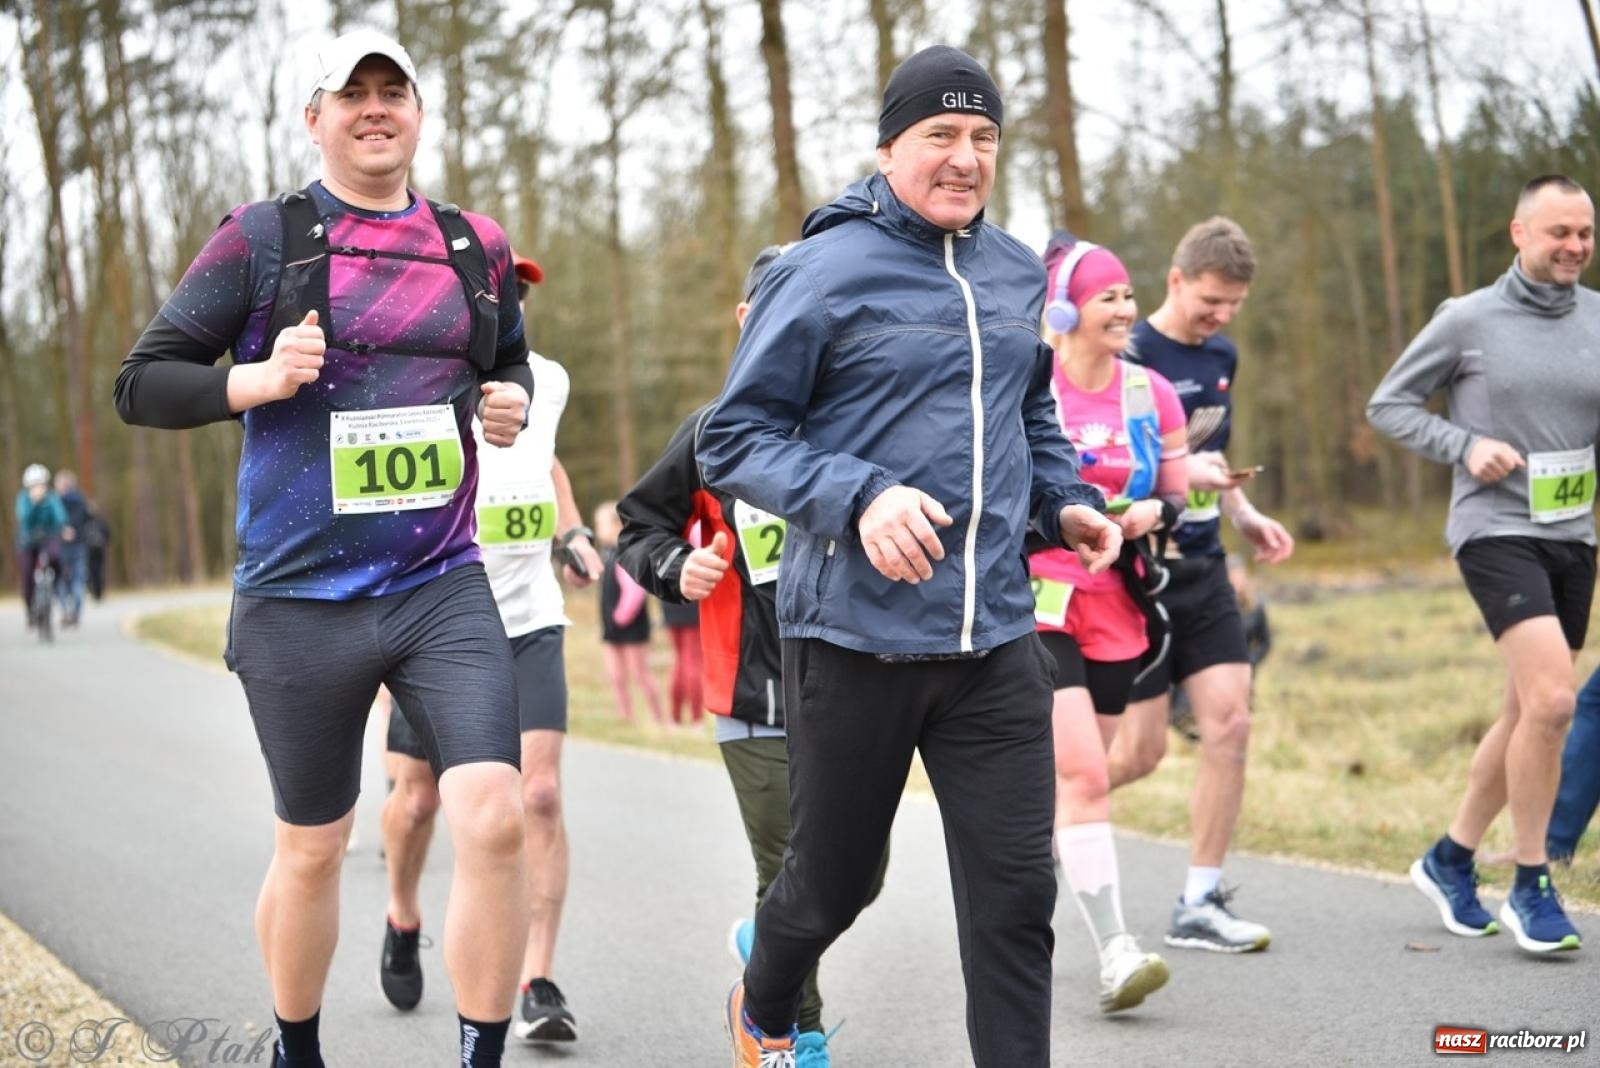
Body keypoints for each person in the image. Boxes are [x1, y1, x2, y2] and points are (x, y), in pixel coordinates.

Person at [114, 30, 537, 1066]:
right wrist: (250, 382)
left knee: (493, 815)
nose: (375, 107)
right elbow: (142, 382)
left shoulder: (470, 245)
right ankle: (296, 1049)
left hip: (441, 583)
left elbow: (509, 360)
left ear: (420, 114)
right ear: (316, 116)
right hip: (300, 600)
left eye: (395, 90)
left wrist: (507, 402)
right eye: (353, 93)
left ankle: (481, 1053)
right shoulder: (265, 238)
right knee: (311, 849)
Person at [698, 46, 1122, 1068]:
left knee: (1016, 897)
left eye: (983, 138)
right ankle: (762, 998)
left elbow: (1028, 409)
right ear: (888, 147)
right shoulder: (821, 271)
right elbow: (735, 438)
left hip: (995, 639)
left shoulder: (1016, 271)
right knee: (838, 882)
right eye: (939, 135)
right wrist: (859, 495)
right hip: (853, 636)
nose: (964, 158)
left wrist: (1064, 503)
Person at [615, 244, 888, 1068]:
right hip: (753, 693)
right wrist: (674, 566)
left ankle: (759, 943)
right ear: (748, 322)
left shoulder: (861, 426)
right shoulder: (711, 434)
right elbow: (638, 527)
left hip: (853, 688)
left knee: (856, 879)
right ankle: (789, 1034)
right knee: (791, 869)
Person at [1368, 173, 1600, 955]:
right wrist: (1465, 445)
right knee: (1556, 700)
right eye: (1558, 232)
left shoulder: (1599, 320)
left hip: (1573, 535)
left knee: (1525, 712)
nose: (1573, 247)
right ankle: (1530, 881)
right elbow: (1390, 403)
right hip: (1494, 528)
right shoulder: (1468, 318)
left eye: (1585, 234)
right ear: (1519, 233)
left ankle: (1449, 856)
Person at [377, 252, 602, 1042]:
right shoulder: (423, 372)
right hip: (439, 619)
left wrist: (570, 532)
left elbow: (547, 465)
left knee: (537, 795)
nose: (517, 299)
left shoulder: (552, 379)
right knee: (417, 801)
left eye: (524, 289)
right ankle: (402, 914)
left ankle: (538, 978)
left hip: (531, 618)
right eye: (503, 287)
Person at [1105, 216, 1292, 953]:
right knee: (1140, 753)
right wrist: (1180, 478)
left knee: (1231, 723)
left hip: (1205, 564)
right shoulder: (1128, 354)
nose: (1220, 317)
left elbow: (1214, 449)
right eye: (1210, 300)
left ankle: (1200, 900)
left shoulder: (1221, 356)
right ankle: (1051, 820)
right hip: (1140, 571)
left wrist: (1242, 511)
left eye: (1233, 307)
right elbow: (1110, 463)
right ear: (1176, 280)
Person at [1029, 233, 1187, 1012]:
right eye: (1108, 298)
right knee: (1085, 775)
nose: (1126, 309)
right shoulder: (1033, 388)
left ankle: (1033, 870)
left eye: (1129, 295)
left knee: (1076, 779)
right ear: (1064, 309)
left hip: (1119, 604)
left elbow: (1181, 492)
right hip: (1038, 599)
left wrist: (1159, 507)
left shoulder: (1149, 392)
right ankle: (1117, 950)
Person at [595, 500, 664, 724]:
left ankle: (657, 717)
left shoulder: (626, 554)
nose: (598, 531)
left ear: (617, 525)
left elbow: (634, 592)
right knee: (615, 675)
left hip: (631, 626)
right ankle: (626, 716)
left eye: (601, 525)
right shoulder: (606, 555)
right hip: (611, 627)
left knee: (641, 674)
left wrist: (621, 618)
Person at [14, 463, 67, 629]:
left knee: (55, 558)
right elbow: (24, 518)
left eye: (41, 484)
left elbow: (60, 516)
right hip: (27, 541)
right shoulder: (23, 499)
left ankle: (54, 587)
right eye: (34, 485)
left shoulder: (51, 498)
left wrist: (63, 528)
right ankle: (30, 610)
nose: (38, 488)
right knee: (27, 575)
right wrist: (34, 502)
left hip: (48, 537)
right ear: (29, 486)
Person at [53, 469, 90, 626]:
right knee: (73, 581)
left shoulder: (56, 502)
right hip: (71, 546)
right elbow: (87, 518)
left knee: (69, 581)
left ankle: (68, 612)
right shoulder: (80, 500)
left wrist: (65, 532)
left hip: (71, 547)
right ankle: (71, 613)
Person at [660, 596, 705, 725]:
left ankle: (675, 716)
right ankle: (696, 718)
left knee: (679, 660)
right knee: (693, 662)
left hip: (669, 602)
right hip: (692, 605)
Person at [82, 501, 111, 601]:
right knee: (90, 572)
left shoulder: (100, 522)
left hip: (98, 551)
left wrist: (103, 543)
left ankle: (99, 593)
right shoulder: (85, 523)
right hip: (89, 551)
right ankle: (93, 592)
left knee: (98, 572)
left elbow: (108, 534)